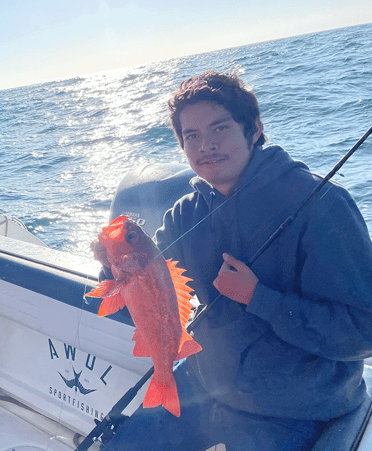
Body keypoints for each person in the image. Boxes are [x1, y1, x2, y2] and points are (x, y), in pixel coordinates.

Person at [101, 70, 372, 450]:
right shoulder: (184, 214)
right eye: (191, 136)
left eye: (219, 129)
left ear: (255, 128)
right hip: (207, 385)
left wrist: (260, 298)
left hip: (293, 407)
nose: (206, 145)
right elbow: (147, 301)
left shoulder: (322, 205)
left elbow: (363, 330)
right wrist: (114, 267)